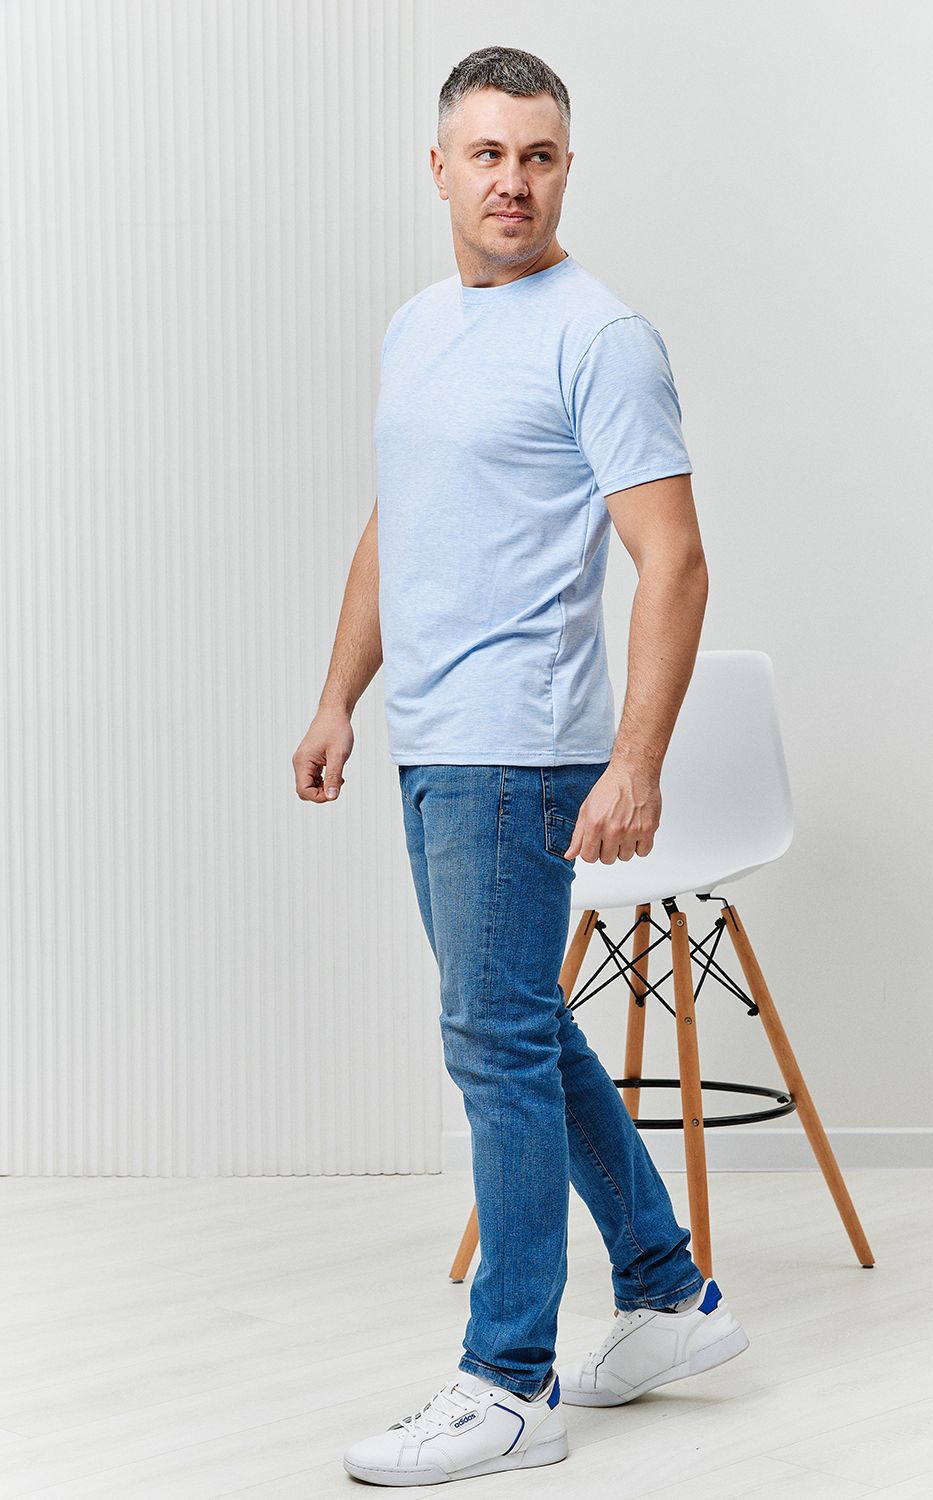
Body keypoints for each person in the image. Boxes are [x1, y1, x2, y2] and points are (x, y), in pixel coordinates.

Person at [293, 43, 749, 1489]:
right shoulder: (417, 329)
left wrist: (637, 763)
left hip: (520, 747)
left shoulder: (599, 337)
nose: (512, 181)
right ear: (439, 169)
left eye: (538, 156)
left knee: (492, 1044)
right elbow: (398, 523)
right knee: (524, 1031)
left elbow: (674, 560)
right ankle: (668, 1294)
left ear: (566, 171)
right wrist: (339, 698)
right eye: (488, 154)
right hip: (433, 737)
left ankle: (509, 1383)